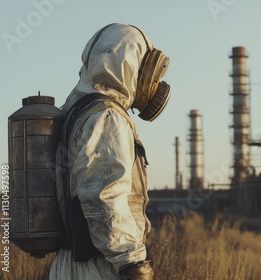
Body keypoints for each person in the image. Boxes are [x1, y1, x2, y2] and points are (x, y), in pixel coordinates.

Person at [49, 23, 170, 280]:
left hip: (72, 263)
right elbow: (104, 198)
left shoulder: (75, 110)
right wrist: (132, 262)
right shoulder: (106, 116)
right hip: (99, 267)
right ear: (131, 64)